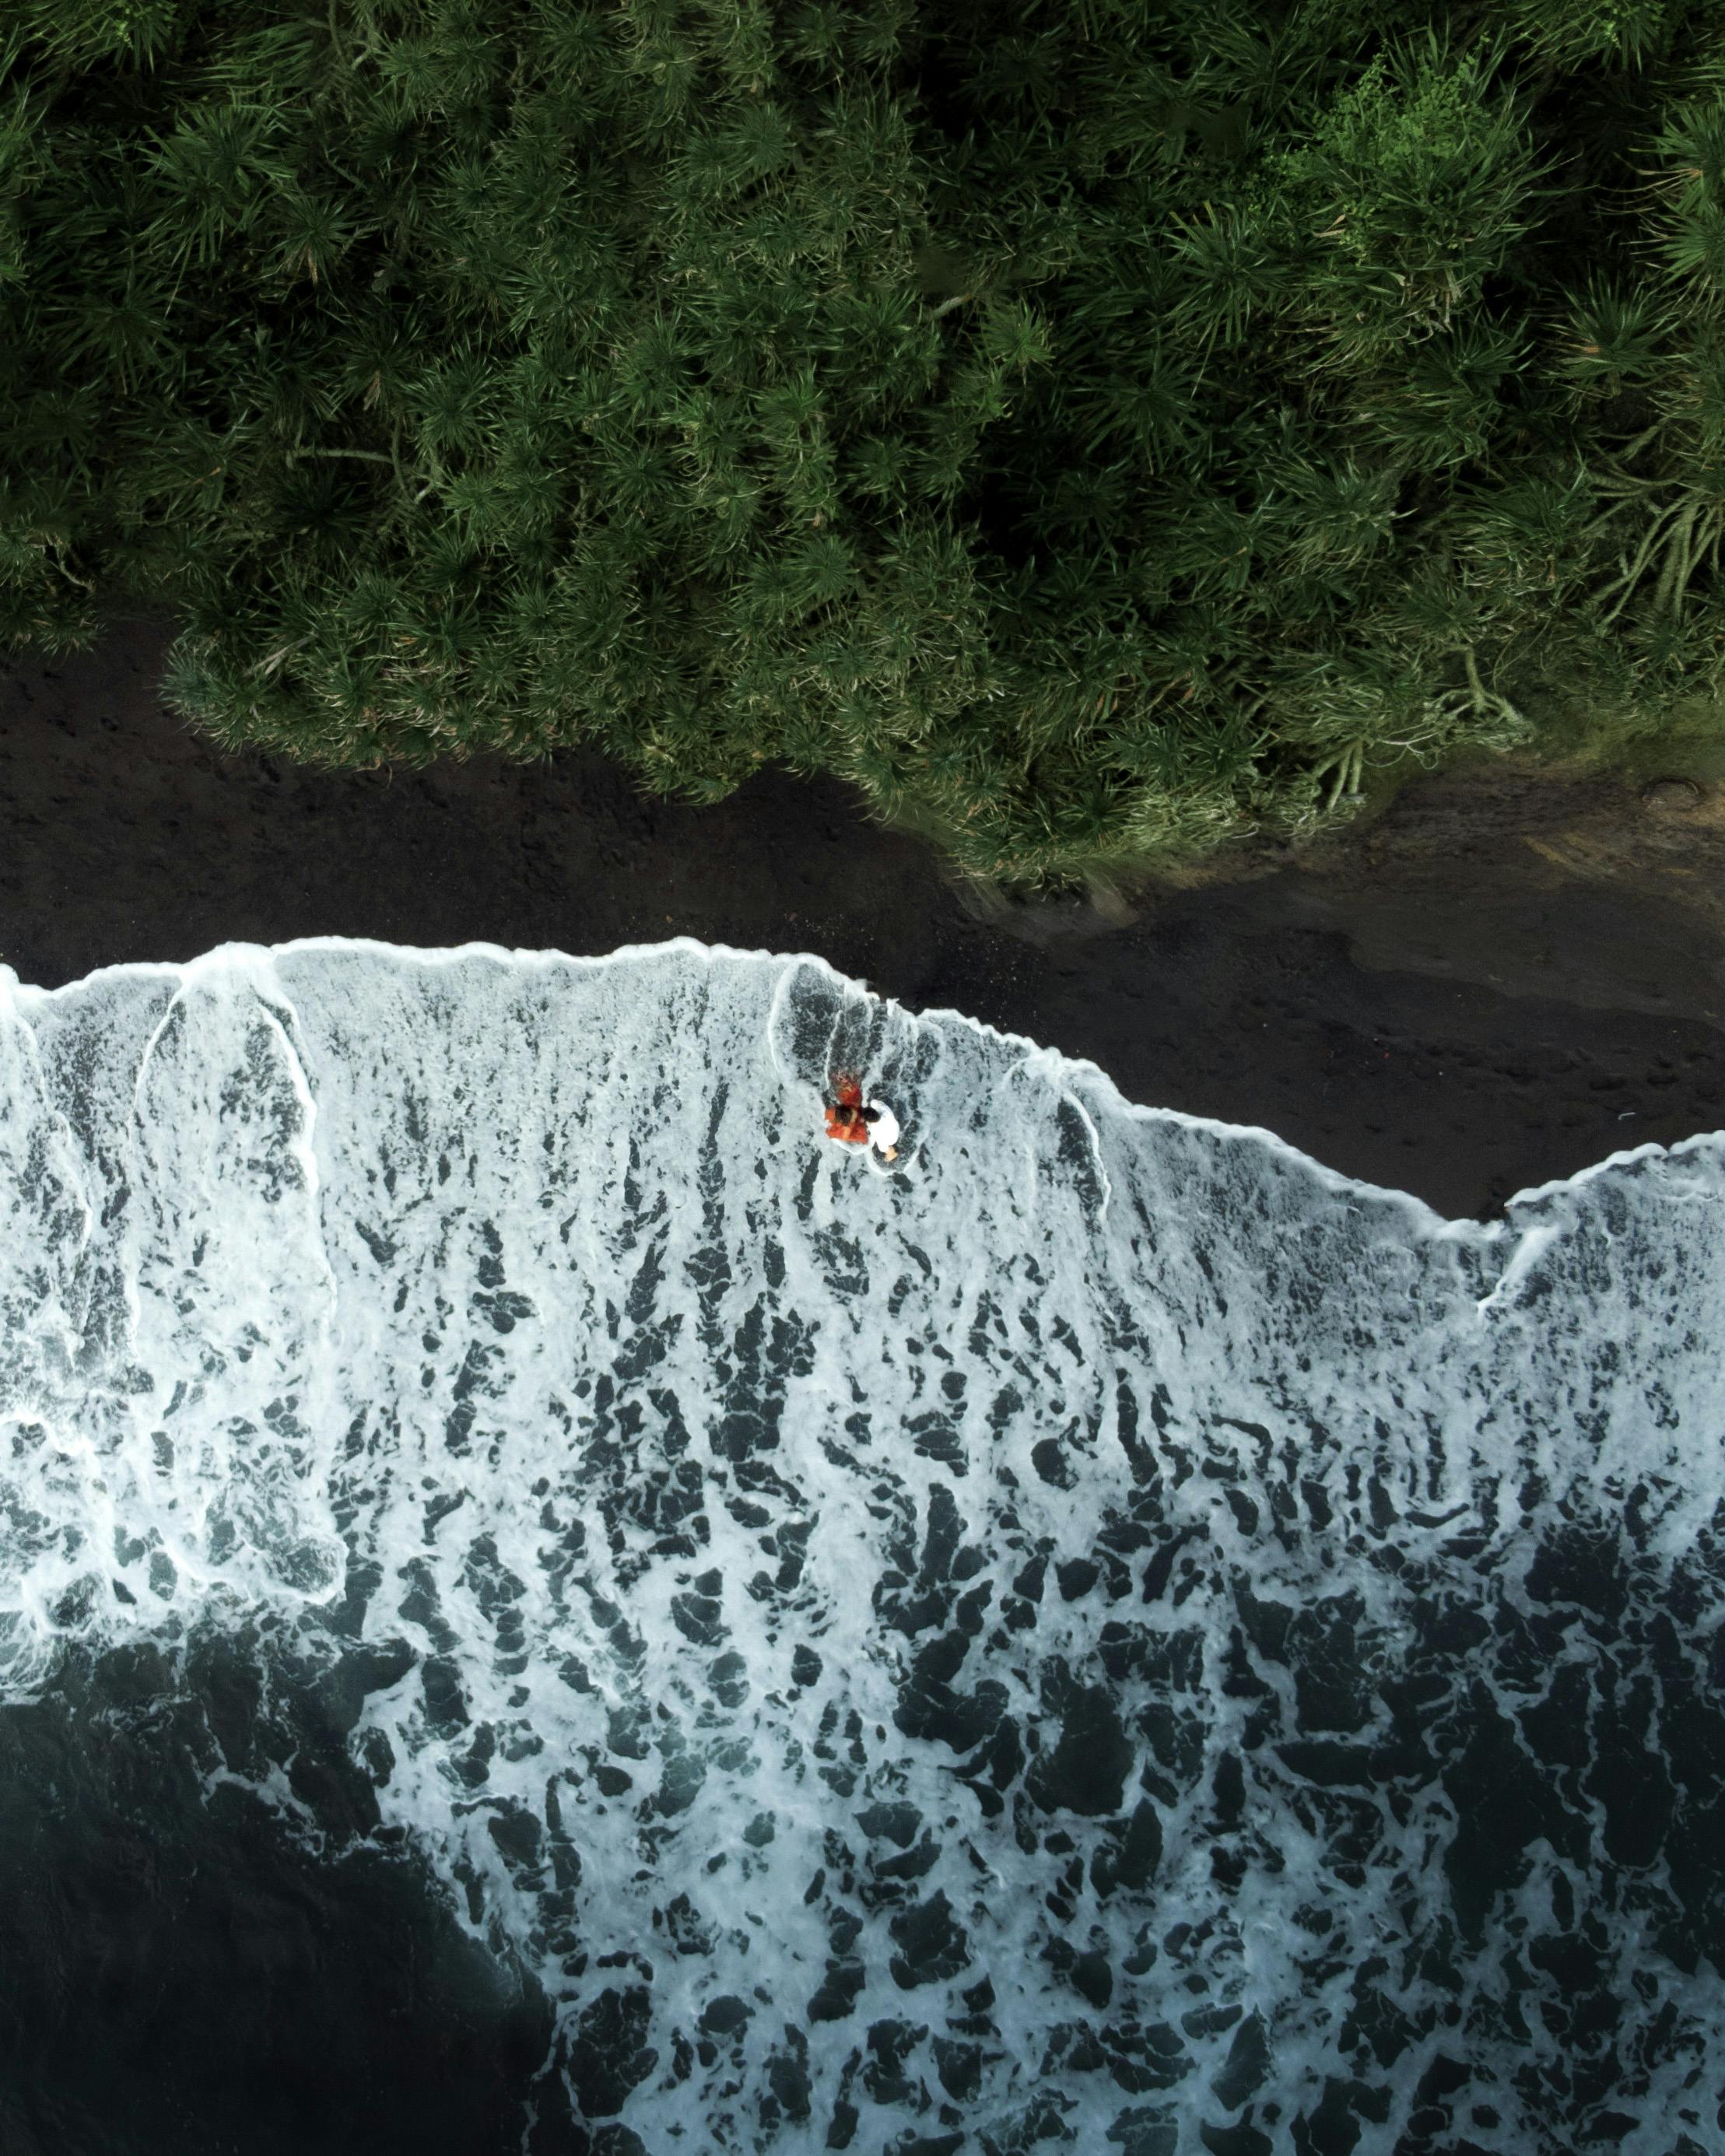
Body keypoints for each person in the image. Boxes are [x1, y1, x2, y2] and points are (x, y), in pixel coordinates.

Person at [824, 1075, 899, 1162]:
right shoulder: (880, 1139)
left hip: (863, 1112)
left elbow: (874, 1103)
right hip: (854, 1122)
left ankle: (841, 1079)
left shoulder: (887, 1113)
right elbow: (881, 1145)